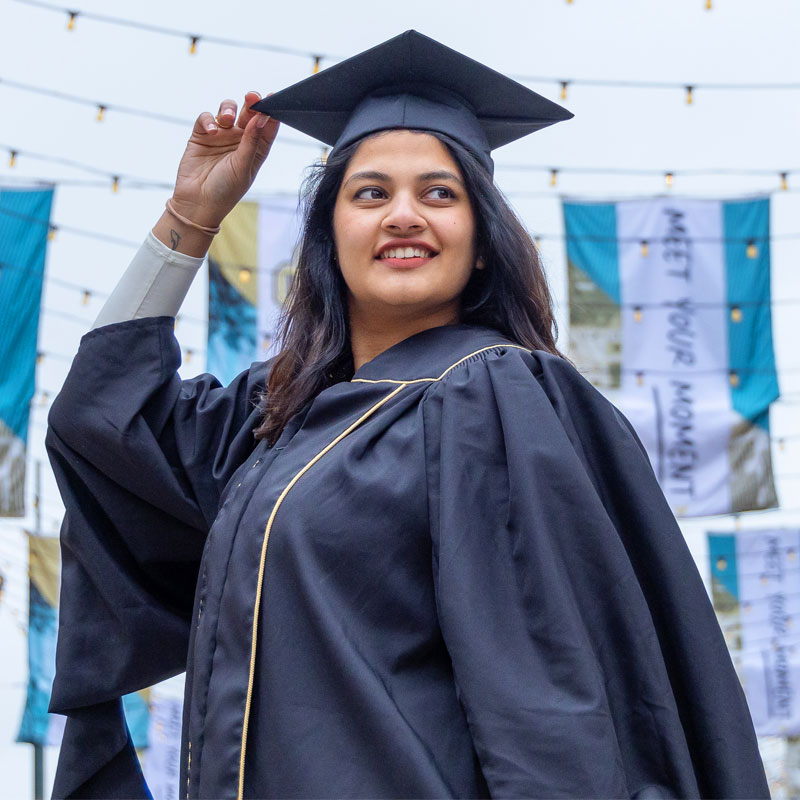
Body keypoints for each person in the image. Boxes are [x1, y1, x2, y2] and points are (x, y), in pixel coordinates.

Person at [46, 30, 768, 800]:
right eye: (370, 193)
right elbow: (101, 420)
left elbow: (555, 706)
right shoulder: (278, 418)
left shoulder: (493, 396)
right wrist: (189, 219)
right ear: (328, 233)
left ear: (481, 241)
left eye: (438, 193)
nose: (403, 215)